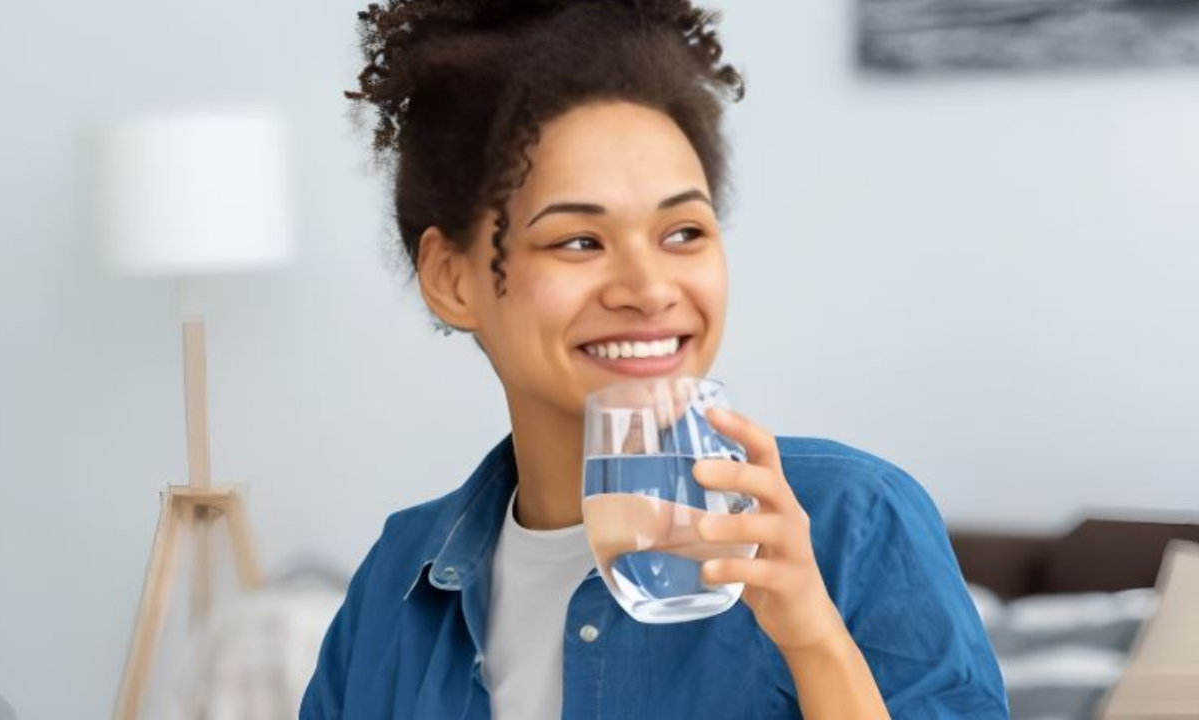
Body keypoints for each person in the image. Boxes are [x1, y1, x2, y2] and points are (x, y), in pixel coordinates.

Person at [300, 1, 1009, 718]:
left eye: (683, 232)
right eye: (578, 241)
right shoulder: (399, 573)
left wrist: (814, 639)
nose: (649, 290)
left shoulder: (853, 521)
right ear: (453, 279)